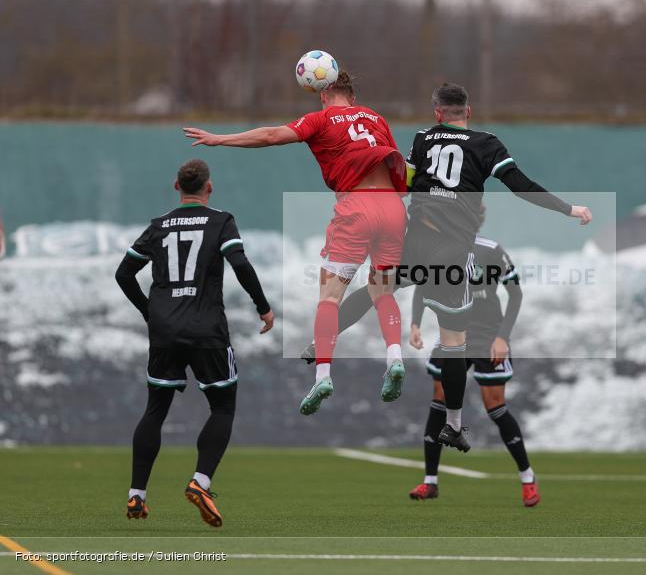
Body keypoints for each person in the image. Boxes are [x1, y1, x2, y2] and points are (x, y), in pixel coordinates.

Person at [303, 83, 592, 453]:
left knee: (378, 288)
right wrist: (568, 209)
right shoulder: (487, 144)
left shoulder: (423, 138)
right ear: (467, 112)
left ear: (437, 112)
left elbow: (404, 178)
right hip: (451, 253)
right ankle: (454, 425)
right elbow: (519, 185)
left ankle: (321, 342)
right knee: (455, 343)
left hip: (415, 239)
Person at [183, 72, 408, 416]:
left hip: (357, 206)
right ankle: (395, 357)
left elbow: (272, 135)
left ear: (323, 91)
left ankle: (323, 376)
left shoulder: (321, 119)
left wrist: (219, 139)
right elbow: (402, 168)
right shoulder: (376, 118)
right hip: (393, 208)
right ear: (352, 94)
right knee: (382, 291)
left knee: (330, 297)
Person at [116, 159, 274, 527]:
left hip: (165, 331)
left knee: (155, 408)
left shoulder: (159, 226)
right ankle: (200, 482)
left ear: (176, 186)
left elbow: (123, 273)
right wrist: (263, 307)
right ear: (209, 187)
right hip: (207, 330)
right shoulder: (220, 220)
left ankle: (136, 495)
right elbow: (240, 263)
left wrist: (149, 311)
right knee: (222, 407)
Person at [408, 209, 539, 507]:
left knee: (495, 406)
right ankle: (430, 482)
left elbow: (515, 294)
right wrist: (415, 323)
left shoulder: (491, 251)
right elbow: (422, 287)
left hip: (487, 336)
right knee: (438, 401)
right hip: (453, 333)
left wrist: (502, 337)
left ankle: (527, 478)